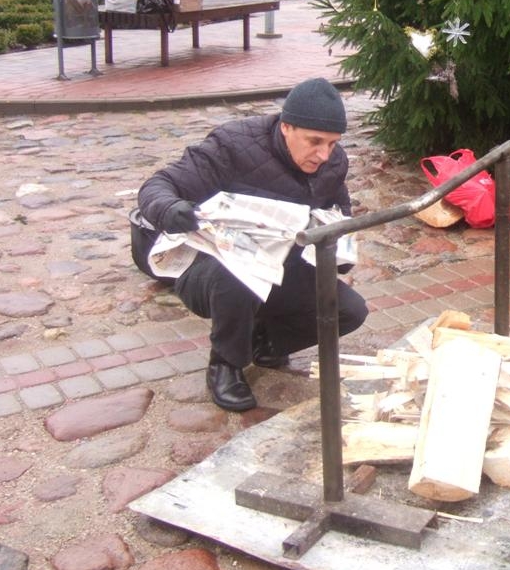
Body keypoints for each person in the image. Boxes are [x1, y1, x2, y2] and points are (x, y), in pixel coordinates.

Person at [133, 77, 369, 412]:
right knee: (238, 277)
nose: (323, 154)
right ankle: (227, 363)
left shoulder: (333, 161)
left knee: (349, 310)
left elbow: (339, 211)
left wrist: (340, 247)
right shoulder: (233, 144)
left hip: (283, 264)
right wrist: (170, 209)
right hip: (212, 269)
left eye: (332, 143)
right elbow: (159, 184)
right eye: (315, 141)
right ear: (287, 127)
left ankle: (266, 341)